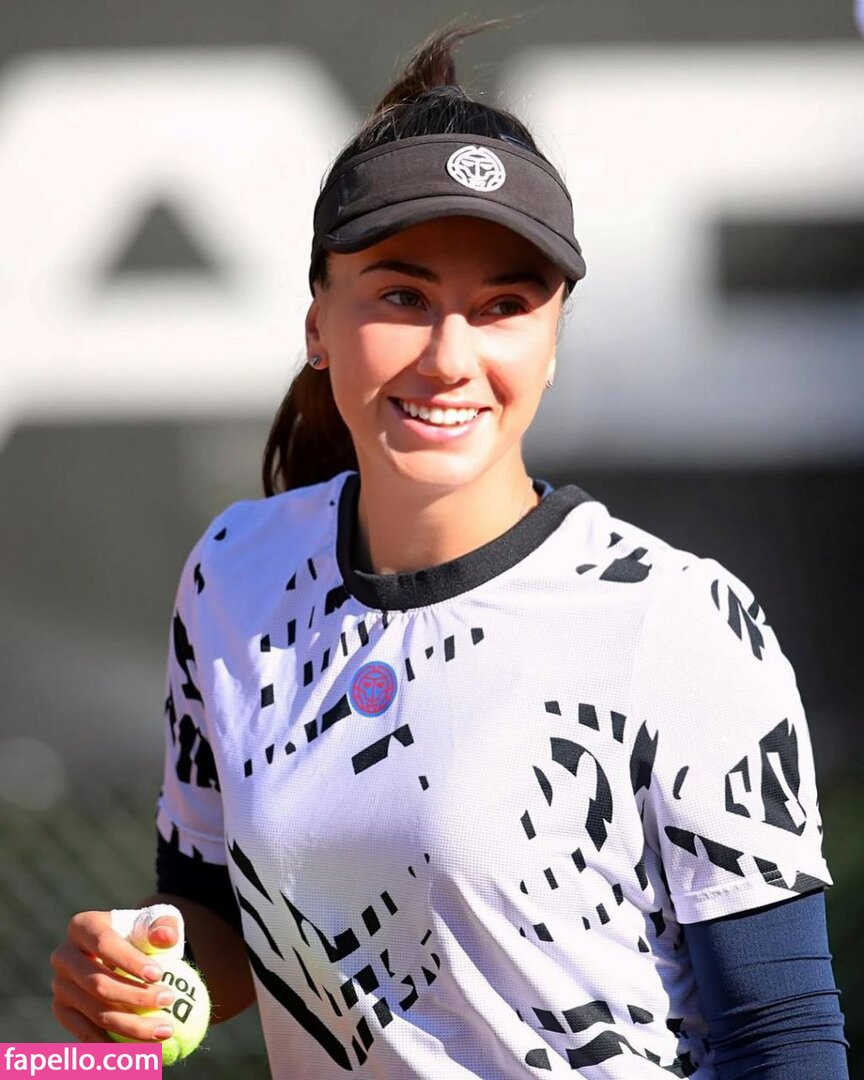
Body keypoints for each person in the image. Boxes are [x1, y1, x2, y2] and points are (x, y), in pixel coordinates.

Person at [51, 23, 849, 1080]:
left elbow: (783, 1037)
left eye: (504, 307)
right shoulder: (235, 572)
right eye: (403, 297)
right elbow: (218, 915)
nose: (449, 356)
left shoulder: (679, 620)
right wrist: (144, 977)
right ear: (318, 323)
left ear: (554, 342)